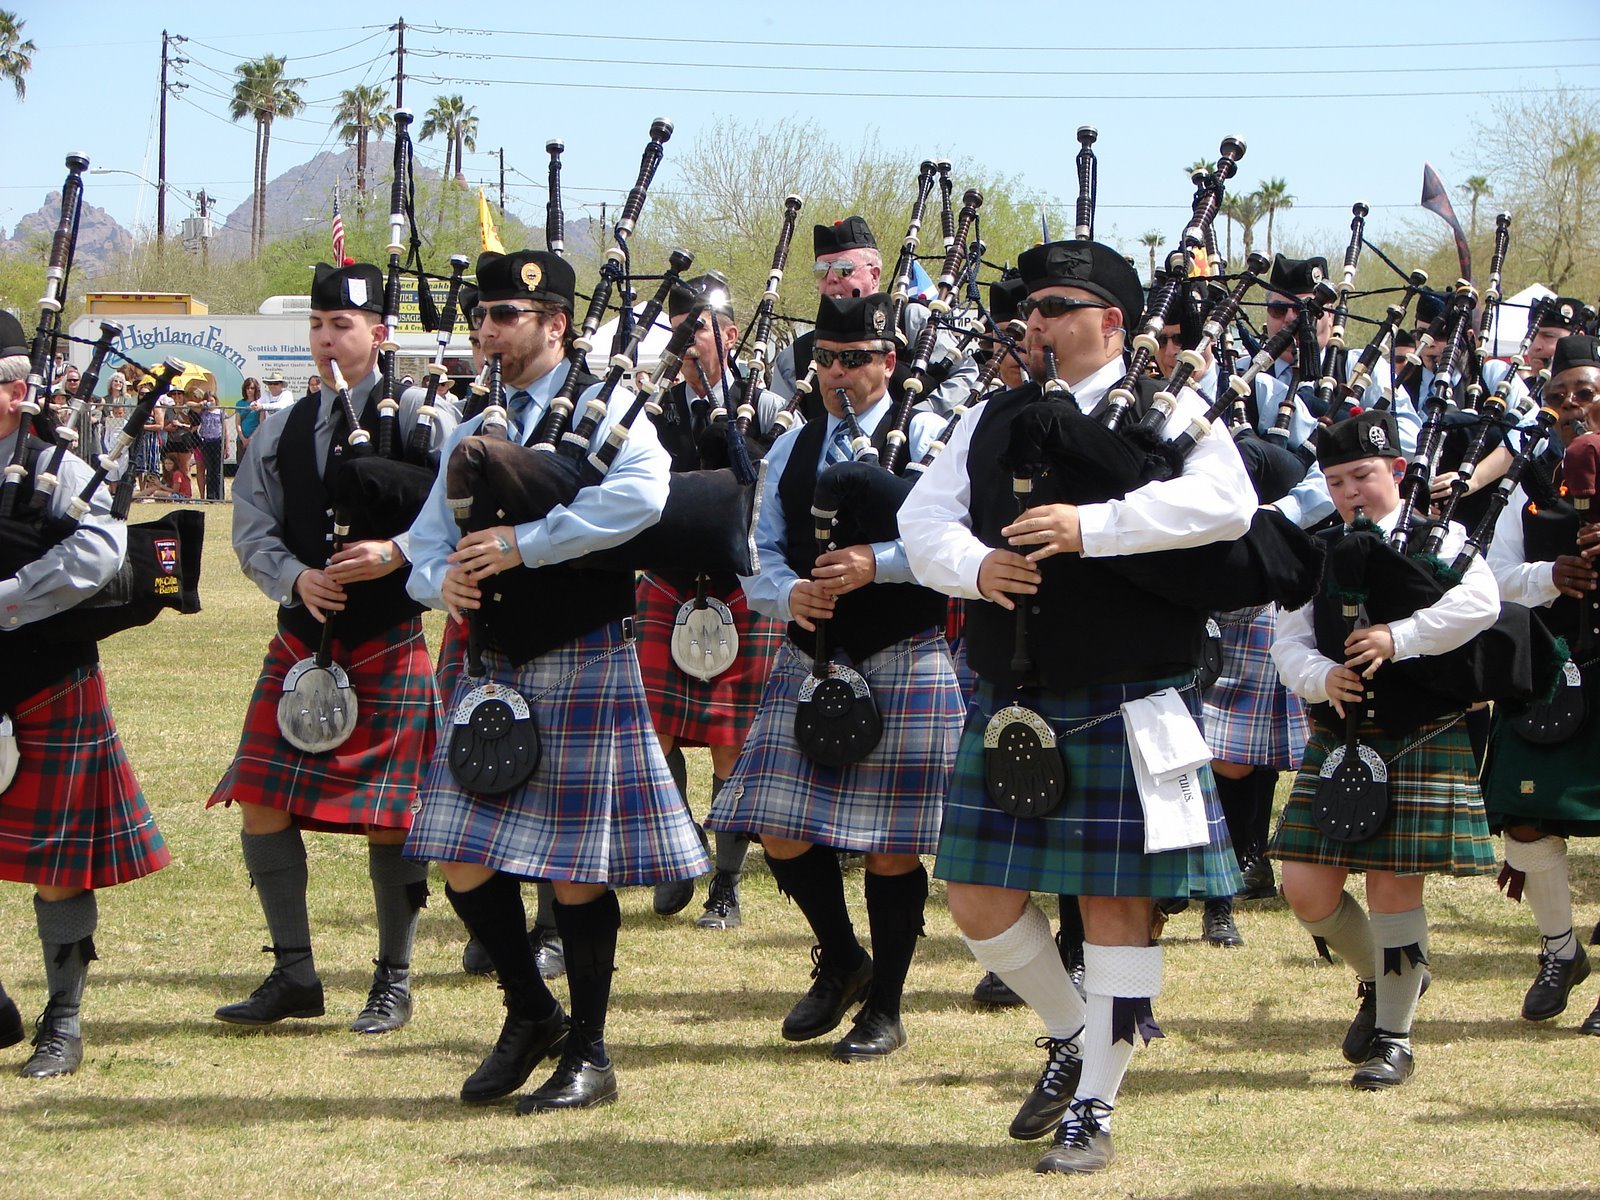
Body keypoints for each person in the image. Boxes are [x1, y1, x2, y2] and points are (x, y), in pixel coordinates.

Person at [899, 239, 1255, 1175]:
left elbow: (1227, 505)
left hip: (1130, 694)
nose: (1038, 320)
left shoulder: (1170, 414)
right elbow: (920, 523)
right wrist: (976, 566)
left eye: (1059, 305)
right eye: (1031, 306)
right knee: (976, 900)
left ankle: (1094, 1104)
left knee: (1117, 908)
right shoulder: (992, 414)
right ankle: (1069, 1033)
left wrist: (1089, 529)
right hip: (1015, 695)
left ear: (1111, 322)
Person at [404, 248, 709, 1112]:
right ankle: (530, 1011)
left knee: (576, 871)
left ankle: (592, 1050)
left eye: (506, 316)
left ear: (555, 325)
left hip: (580, 652)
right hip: (487, 660)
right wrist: (441, 583)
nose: (488, 332)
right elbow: (425, 543)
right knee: (461, 858)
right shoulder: (472, 426)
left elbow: (643, 500)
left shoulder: (609, 410)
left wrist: (526, 544)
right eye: (481, 316)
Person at [711, 291, 963, 1061]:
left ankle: (885, 1001)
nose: (836, 372)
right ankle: (842, 955)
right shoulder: (792, 445)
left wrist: (874, 565)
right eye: (824, 358)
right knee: (780, 831)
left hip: (905, 652)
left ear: (889, 361)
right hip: (811, 656)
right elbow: (760, 554)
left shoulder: (928, 433)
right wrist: (792, 591)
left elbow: (959, 545)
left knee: (892, 846)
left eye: (853, 359)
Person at [209, 261, 452, 1036]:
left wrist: (399, 552)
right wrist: (294, 578)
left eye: (340, 325)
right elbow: (251, 528)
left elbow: (459, 513)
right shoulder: (280, 428)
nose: (325, 339)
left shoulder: (423, 418)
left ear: (377, 334)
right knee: (261, 798)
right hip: (302, 642)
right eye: (316, 326)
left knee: (394, 816)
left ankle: (394, 977)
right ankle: (294, 973)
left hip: (385, 639)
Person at [1271, 410, 1500, 1091]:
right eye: (1338, 481)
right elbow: (1288, 645)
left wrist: (1399, 637)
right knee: (1305, 891)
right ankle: (1385, 977)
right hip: (1342, 734)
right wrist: (1323, 677)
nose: (1352, 493)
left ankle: (1394, 1037)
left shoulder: (1441, 536)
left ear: (1395, 471)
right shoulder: (1314, 551)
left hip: (1419, 730)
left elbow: (1480, 605)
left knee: (1393, 887)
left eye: (1364, 476)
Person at [0, 310, 172, 1077]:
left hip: (46, 676)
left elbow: (101, 550)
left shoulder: (56, 463)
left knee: (56, 860)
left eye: (9, 382)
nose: (10, 396)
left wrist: (9, 596)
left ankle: (62, 1021)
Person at [636, 273, 784, 929]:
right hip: (667, 583)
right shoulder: (650, 409)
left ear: (729, 334)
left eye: (700, 326)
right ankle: (678, 851)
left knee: (731, 744)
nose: (689, 339)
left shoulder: (771, 408)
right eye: (680, 326)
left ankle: (726, 886)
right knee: (654, 731)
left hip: (736, 588)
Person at [1481, 332, 1600, 1033]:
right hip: (1551, 661)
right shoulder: (1527, 481)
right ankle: (1560, 950)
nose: (1571, 406)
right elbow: (1489, 579)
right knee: (1523, 817)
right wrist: (1549, 577)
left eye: (1584, 392)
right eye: (1557, 397)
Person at [767, 215, 977, 423]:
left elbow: (966, 377)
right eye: (821, 271)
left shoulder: (913, 321)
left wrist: (916, 417)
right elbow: (784, 427)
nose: (831, 279)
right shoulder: (794, 357)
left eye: (843, 269)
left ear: (874, 275)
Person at [193, 384, 226, 500]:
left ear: (216, 400)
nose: (210, 402)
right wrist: (201, 405)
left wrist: (226, 446)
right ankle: (210, 496)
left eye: (211, 400)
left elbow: (225, 429)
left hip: (217, 441)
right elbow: (189, 406)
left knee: (218, 470)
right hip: (206, 442)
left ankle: (219, 495)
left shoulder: (220, 412)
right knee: (210, 470)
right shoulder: (203, 412)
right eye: (208, 400)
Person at [236, 376, 264, 462]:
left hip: (255, 439)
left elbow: (261, 423)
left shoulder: (260, 403)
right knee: (241, 466)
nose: (249, 390)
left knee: (254, 466)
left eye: (252, 388)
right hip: (241, 439)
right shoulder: (240, 403)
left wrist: (251, 438)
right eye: (247, 388)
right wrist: (243, 439)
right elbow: (237, 423)